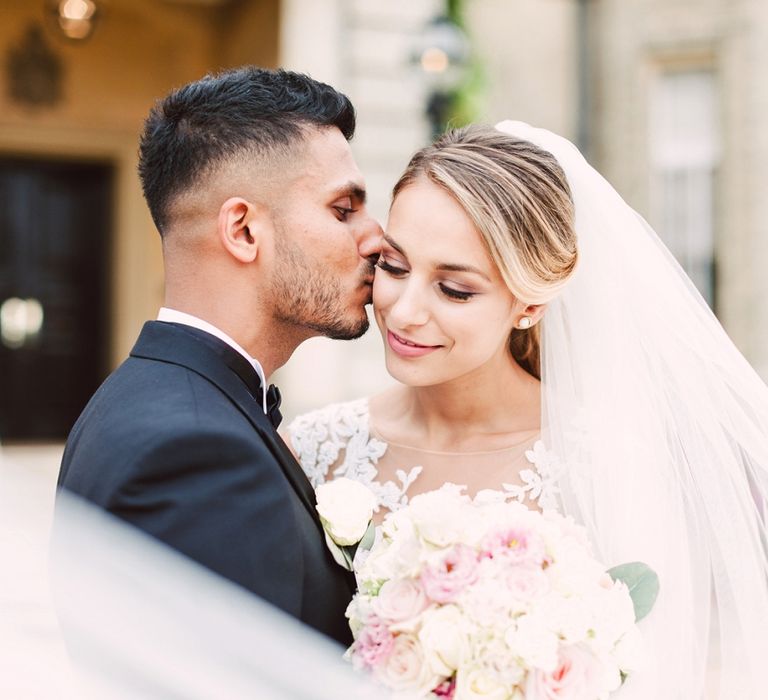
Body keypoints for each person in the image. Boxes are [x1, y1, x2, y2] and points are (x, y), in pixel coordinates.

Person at [289, 122, 768, 697]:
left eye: (455, 290)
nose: (404, 310)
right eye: (394, 266)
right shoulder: (315, 449)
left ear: (530, 304)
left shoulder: (606, 463)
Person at [57, 66, 382, 646]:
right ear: (243, 230)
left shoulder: (162, 401)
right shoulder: (192, 453)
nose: (375, 238)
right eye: (343, 209)